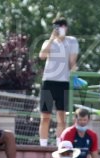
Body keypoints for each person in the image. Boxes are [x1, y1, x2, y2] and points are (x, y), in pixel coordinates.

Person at [38, 15, 79, 147]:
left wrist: (74, 70)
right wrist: (52, 38)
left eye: (62, 26)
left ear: (66, 28)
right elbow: (42, 55)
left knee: (62, 118)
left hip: (64, 83)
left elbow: (72, 62)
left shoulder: (72, 41)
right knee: (45, 117)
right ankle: (43, 145)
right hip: (48, 82)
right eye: (57, 26)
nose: (60, 29)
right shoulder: (48, 42)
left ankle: (59, 144)